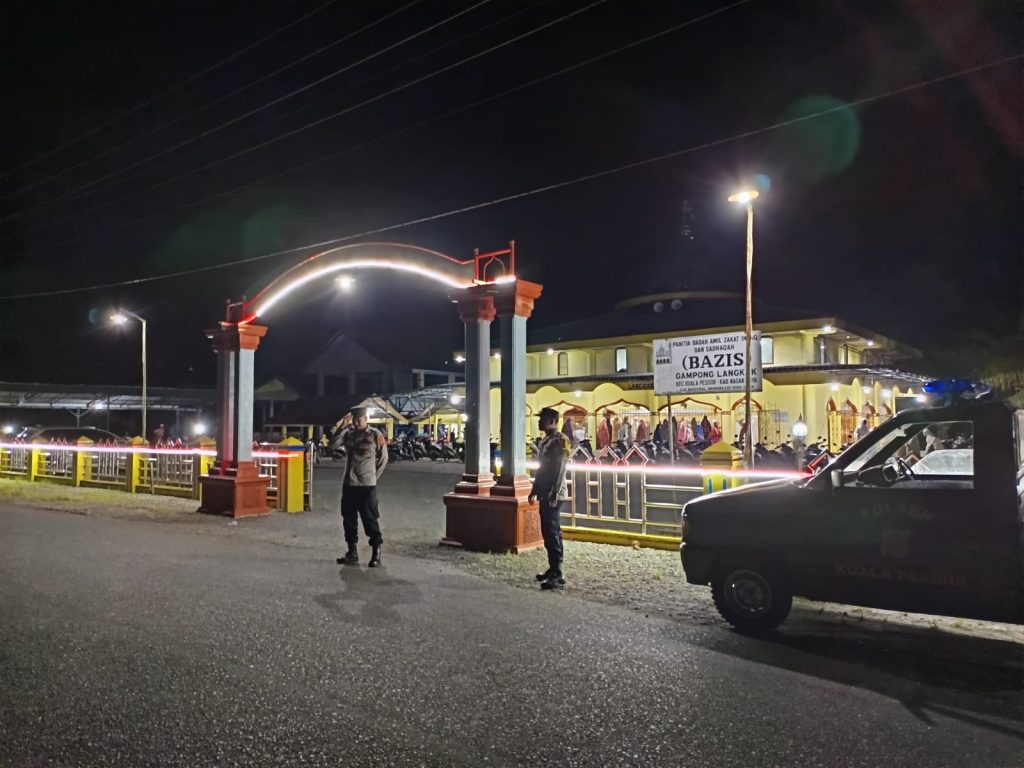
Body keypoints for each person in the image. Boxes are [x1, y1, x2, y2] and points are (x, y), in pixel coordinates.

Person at [336, 406, 389, 567]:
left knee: (370, 519)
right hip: (350, 484)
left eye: (359, 420)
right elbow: (333, 445)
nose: (356, 422)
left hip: (367, 486)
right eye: (354, 420)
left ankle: (376, 554)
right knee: (349, 519)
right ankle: (352, 552)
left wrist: (372, 476)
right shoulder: (349, 434)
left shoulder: (375, 435)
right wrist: (342, 427)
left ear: (366, 419)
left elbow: (383, 459)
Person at [529, 407, 570, 590]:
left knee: (552, 531)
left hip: (554, 493)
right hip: (546, 491)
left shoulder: (561, 440)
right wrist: (535, 488)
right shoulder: (546, 440)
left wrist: (555, 490)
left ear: (553, 420)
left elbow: (561, 467)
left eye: (543, 419)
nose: (540, 421)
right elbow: (542, 468)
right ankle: (553, 568)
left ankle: (557, 573)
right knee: (548, 530)